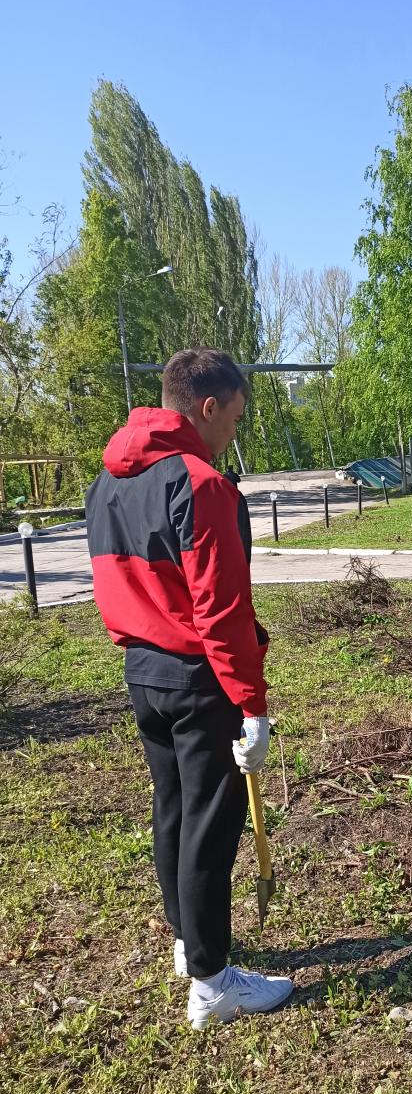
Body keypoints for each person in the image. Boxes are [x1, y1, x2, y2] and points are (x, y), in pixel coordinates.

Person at [86, 348, 293, 1028]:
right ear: (208, 407)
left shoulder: (108, 482)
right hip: (199, 676)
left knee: (174, 808)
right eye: (234, 417)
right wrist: (252, 704)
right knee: (210, 823)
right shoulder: (200, 484)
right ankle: (211, 982)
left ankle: (186, 941)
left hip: (143, 671)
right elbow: (221, 610)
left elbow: (114, 582)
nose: (234, 430)